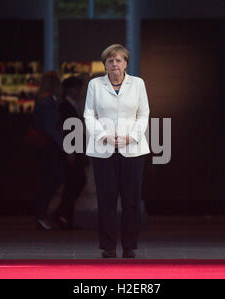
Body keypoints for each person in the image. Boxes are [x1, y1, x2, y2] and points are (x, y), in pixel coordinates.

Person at [84, 44, 150, 258]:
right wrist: (103, 136)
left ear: (126, 63)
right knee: (106, 198)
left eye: (119, 60)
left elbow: (144, 114)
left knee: (131, 199)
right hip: (103, 149)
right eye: (110, 60)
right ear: (105, 64)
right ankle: (108, 246)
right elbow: (88, 114)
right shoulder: (95, 84)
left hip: (133, 149)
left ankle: (130, 246)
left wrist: (132, 136)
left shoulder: (138, 84)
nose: (114, 64)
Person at [51, 76, 88, 229]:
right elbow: (67, 130)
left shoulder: (71, 106)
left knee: (73, 183)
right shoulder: (66, 107)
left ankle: (65, 217)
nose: (78, 91)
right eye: (75, 88)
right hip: (72, 149)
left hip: (75, 148)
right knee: (77, 181)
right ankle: (61, 213)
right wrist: (69, 151)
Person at [34, 71, 64, 230]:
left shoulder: (43, 100)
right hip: (49, 145)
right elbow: (50, 127)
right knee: (51, 179)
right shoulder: (47, 102)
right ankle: (42, 214)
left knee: (50, 179)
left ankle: (43, 213)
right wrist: (62, 144)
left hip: (46, 144)